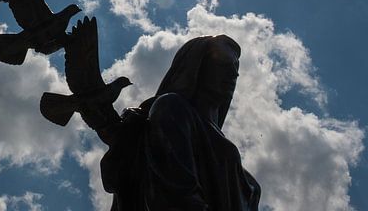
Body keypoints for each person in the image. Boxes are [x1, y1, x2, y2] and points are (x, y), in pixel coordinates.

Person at [95, 35, 261, 210]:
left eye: (235, 69)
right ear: (197, 67)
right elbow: (178, 197)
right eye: (223, 65)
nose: (232, 75)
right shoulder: (172, 109)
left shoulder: (244, 179)